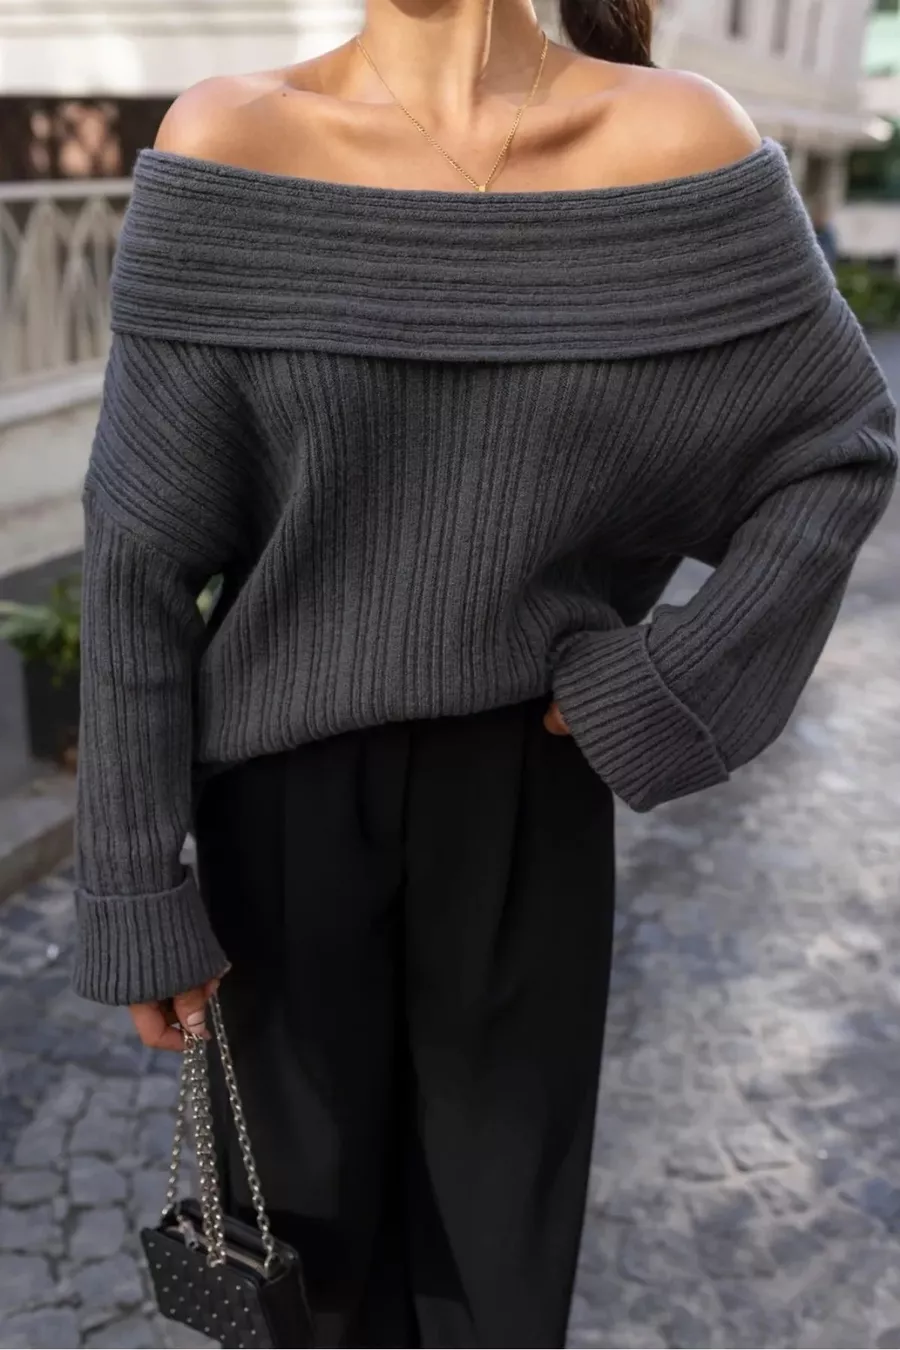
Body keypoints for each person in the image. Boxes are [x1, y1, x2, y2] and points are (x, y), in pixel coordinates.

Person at [73, 1, 897, 1345]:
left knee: (500, 1290)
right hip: (280, 821)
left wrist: (673, 684)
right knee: (312, 1291)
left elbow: (837, 447)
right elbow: (137, 557)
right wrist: (130, 884)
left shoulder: (678, 142)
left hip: (531, 801)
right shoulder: (231, 140)